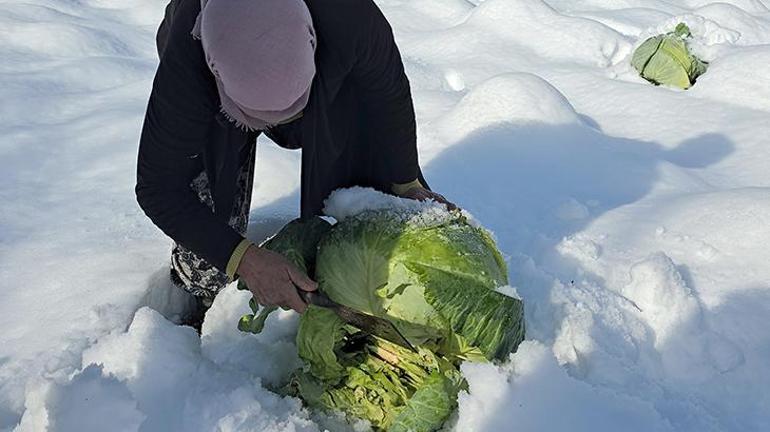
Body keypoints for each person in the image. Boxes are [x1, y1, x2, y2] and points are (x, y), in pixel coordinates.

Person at [136, 0, 454, 326]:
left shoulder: (349, 17)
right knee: (205, 205)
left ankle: (348, 269)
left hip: (318, 72)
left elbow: (388, 94)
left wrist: (406, 182)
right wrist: (244, 259)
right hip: (221, 93)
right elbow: (158, 187)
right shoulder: (188, 64)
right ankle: (203, 296)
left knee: (357, 151)